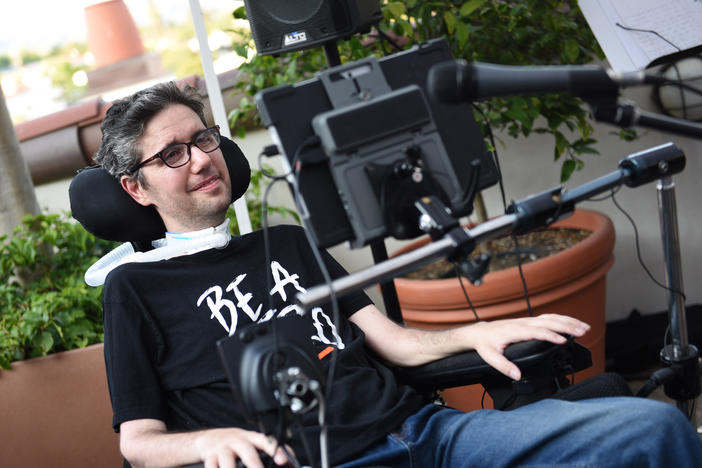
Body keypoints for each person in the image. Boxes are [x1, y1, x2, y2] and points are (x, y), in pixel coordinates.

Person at [92, 81, 702, 468]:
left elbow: (391, 339)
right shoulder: (135, 289)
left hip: (427, 434)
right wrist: (205, 443)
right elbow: (138, 441)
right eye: (172, 154)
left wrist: (475, 334)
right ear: (135, 188)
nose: (200, 159)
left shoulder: (285, 244)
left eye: (204, 139)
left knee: (652, 427)